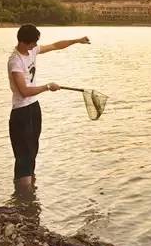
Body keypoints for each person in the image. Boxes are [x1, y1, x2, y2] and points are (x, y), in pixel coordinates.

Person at [8, 24, 90, 194]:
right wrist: (47, 87)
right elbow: (23, 92)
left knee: (33, 149)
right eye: (32, 43)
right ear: (23, 42)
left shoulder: (31, 50)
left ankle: (28, 195)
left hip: (33, 107)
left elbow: (54, 46)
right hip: (21, 111)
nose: (34, 46)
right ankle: (23, 193)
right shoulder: (15, 61)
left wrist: (76, 41)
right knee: (24, 153)